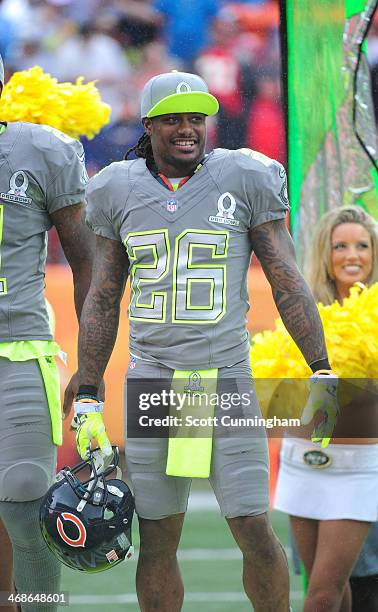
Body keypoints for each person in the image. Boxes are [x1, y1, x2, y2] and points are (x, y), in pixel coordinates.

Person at [64, 70, 336, 612]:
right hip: (155, 377)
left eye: (196, 118)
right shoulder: (116, 187)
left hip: (225, 375)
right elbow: (102, 295)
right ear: (149, 125)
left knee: (254, 526)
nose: (188, 129)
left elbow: (284, 277)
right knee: (158, 535)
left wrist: (321, 368)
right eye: (173, 119)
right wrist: (89, 388)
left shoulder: (243, 175)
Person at [0, 53, 94, 612]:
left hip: (18, 347)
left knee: (26, 490)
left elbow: (88, 264)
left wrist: (88, 365)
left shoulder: (41, 149)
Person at [274, 206, 378, 612]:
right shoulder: (303, 311)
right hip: (304, 458)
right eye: (341, 246)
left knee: (321, 595)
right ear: (325, 253)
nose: (352, 255)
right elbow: (281, 388)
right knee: (330, 590)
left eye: (362, 246)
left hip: (360, 464)